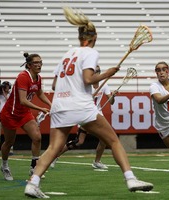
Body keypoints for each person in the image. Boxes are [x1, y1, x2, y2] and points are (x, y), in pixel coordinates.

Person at [24, 7, 153, 198]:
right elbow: (88, 79)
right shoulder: (91, 52)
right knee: (113, 140)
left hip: (60, 105)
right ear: (93, 38)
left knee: (53, 148)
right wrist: (108, 73)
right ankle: (130, 178)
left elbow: (54, 83)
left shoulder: (67, 54)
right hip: (80, 106)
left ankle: (32, 184)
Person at [50, 66, 117, 169]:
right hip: (86, 114)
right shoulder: (86, 85)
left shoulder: (104, 85)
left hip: (98, 115)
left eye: (98, 71)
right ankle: (55, 156)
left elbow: (111, 101)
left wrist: (113, 96)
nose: (97, 73)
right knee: (79, 142)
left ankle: (97, 161)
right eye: (95, 71)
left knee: (104, 139)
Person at [0, 52, 52, 181]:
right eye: (36, 63)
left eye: (40, 62)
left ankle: (34, 167)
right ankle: (4, 165)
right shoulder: (23, 77)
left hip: (24, 113)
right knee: (9, 142)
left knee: (37, 137)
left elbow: (40, 94)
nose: (39, 65)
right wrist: (41, 109)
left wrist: (51, 104)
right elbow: (22, 100)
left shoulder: (38, 78)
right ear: (28, 65)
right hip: (10, 114)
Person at [0, 81, 14, 156]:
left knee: (9, 133)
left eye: (7, 86)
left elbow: (9, 101)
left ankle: (10, 148)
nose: (6, 88)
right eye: (5, 86)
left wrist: (4, 93)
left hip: (7, 116)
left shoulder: (10, 94)